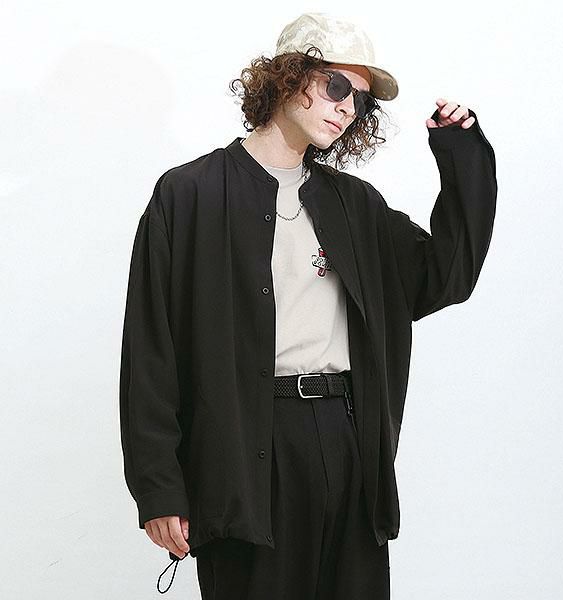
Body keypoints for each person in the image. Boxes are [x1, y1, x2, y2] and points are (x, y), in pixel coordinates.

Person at [119, 11, 497, 599]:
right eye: (336, 85)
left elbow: (445, 276)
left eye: (360, 102)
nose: (347, 108)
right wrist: (159, 487)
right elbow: (150, 349)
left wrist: (461, 155)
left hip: (347, 438)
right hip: (243, 449)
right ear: (288, 75)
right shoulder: (189, 194)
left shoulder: (354, 205)